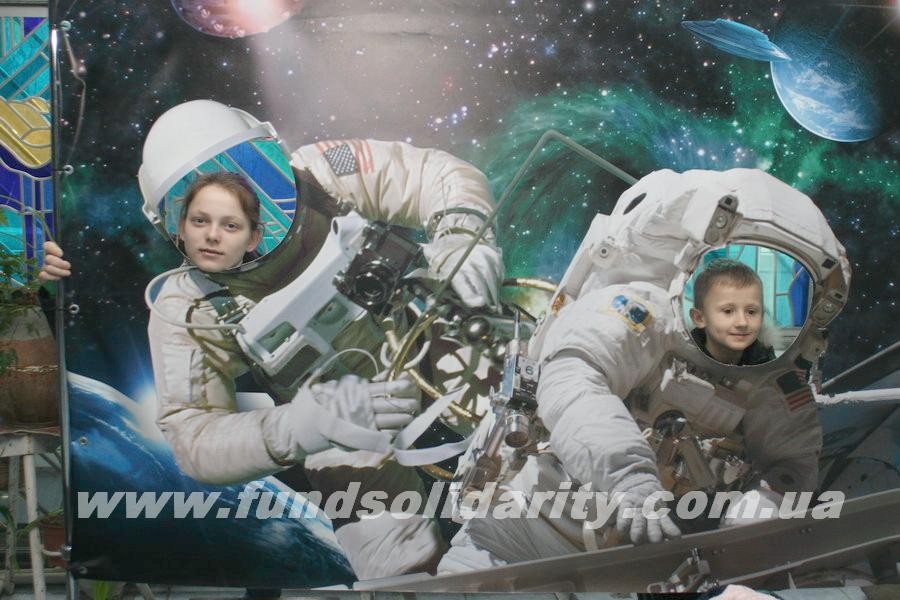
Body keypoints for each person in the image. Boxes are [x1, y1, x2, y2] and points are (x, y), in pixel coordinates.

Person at [44, 99, 505, 580]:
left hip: (435, 335)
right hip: (340, 422)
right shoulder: (189, 305)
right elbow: (194, 438)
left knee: (526, 442)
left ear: (275, 155)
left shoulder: (324, 174)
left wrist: (463, 235)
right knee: (395, 563)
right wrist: (299, 427)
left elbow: (435, 175)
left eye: (247, 179)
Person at [438, 168, 850, 573]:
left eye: (777, 298)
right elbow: (573, 382)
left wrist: (747, 528)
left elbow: (792, 469)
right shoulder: (635, 312)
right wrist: (631, 481)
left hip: (635, 565)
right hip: (518, 533)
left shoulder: (773, 381)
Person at [688, 259, 775, 366]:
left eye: (751, 312)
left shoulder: (767, 361)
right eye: (728, 311)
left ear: (762, 317)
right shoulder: (681, 364)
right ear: (699, 318)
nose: (742, 323)